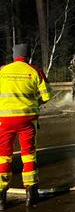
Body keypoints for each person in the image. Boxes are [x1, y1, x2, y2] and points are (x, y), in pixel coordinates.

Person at [0, 44, 53, 209]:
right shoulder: (34, 70)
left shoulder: (2, 71)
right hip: (27, 122)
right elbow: (48, 95)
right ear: (28, 56)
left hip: (4, 121)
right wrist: (36, 102)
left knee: (3, 157)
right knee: (28, 155)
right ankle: (31, 194)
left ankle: (1, 198)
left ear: (13, 55)